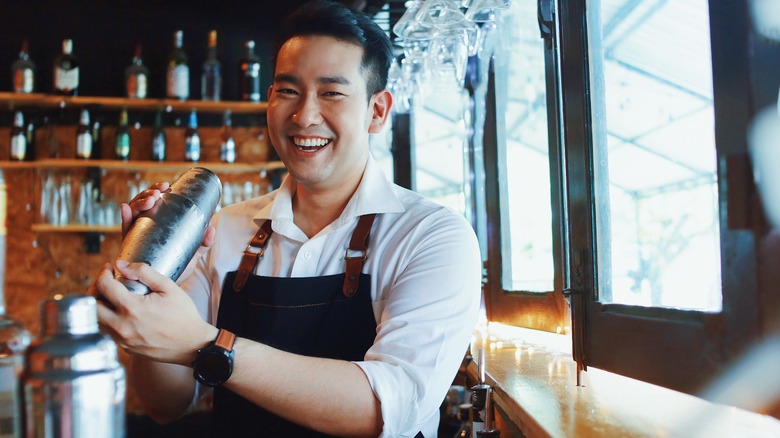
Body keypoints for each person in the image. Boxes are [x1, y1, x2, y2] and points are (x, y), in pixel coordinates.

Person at [92, 1, 481, 436]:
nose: (304, 116)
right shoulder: (225, 229)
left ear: (377, 112)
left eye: (331, 92)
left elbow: (386, 408)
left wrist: (209, 346)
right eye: (287, 91)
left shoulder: (433, 236)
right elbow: (166, 403)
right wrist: (145, 280)